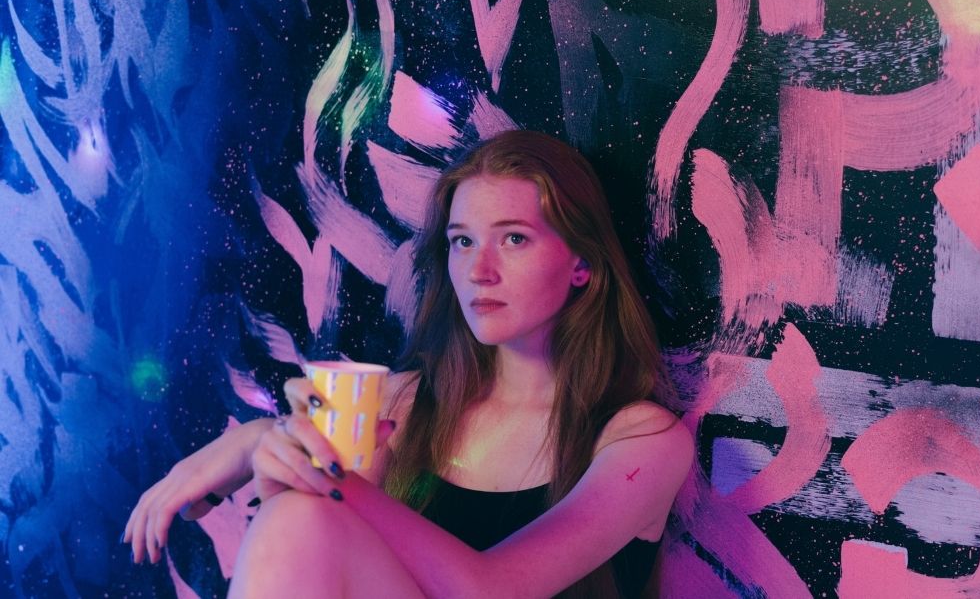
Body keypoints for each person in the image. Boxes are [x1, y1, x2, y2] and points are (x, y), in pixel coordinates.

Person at [123, 130, 693, 597]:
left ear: (582, 264)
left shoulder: (643, 441)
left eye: (514, 239)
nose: (478, 270)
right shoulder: (399, 401)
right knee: (295, 518)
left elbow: (490, 591)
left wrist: (268, 449)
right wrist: (284, 464)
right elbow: (311, 552)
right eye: (462, 242)